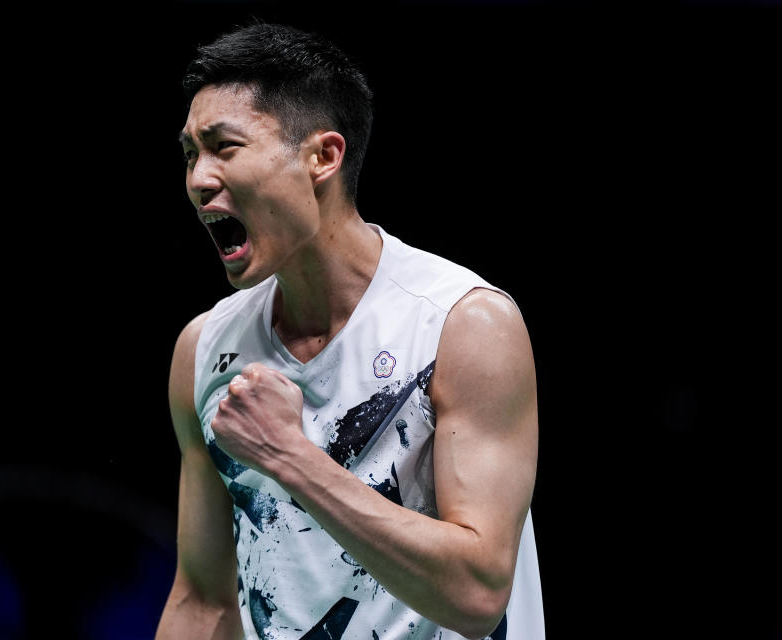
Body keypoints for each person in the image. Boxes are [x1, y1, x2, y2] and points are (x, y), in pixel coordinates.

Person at [156, 23, 544, 640]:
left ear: (322, 158)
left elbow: (478, 595)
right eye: (188, 155)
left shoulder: (462, 324)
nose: (199, 178)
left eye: (224, 147)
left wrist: (290, 456)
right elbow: (202, 601)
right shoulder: (204, 350)